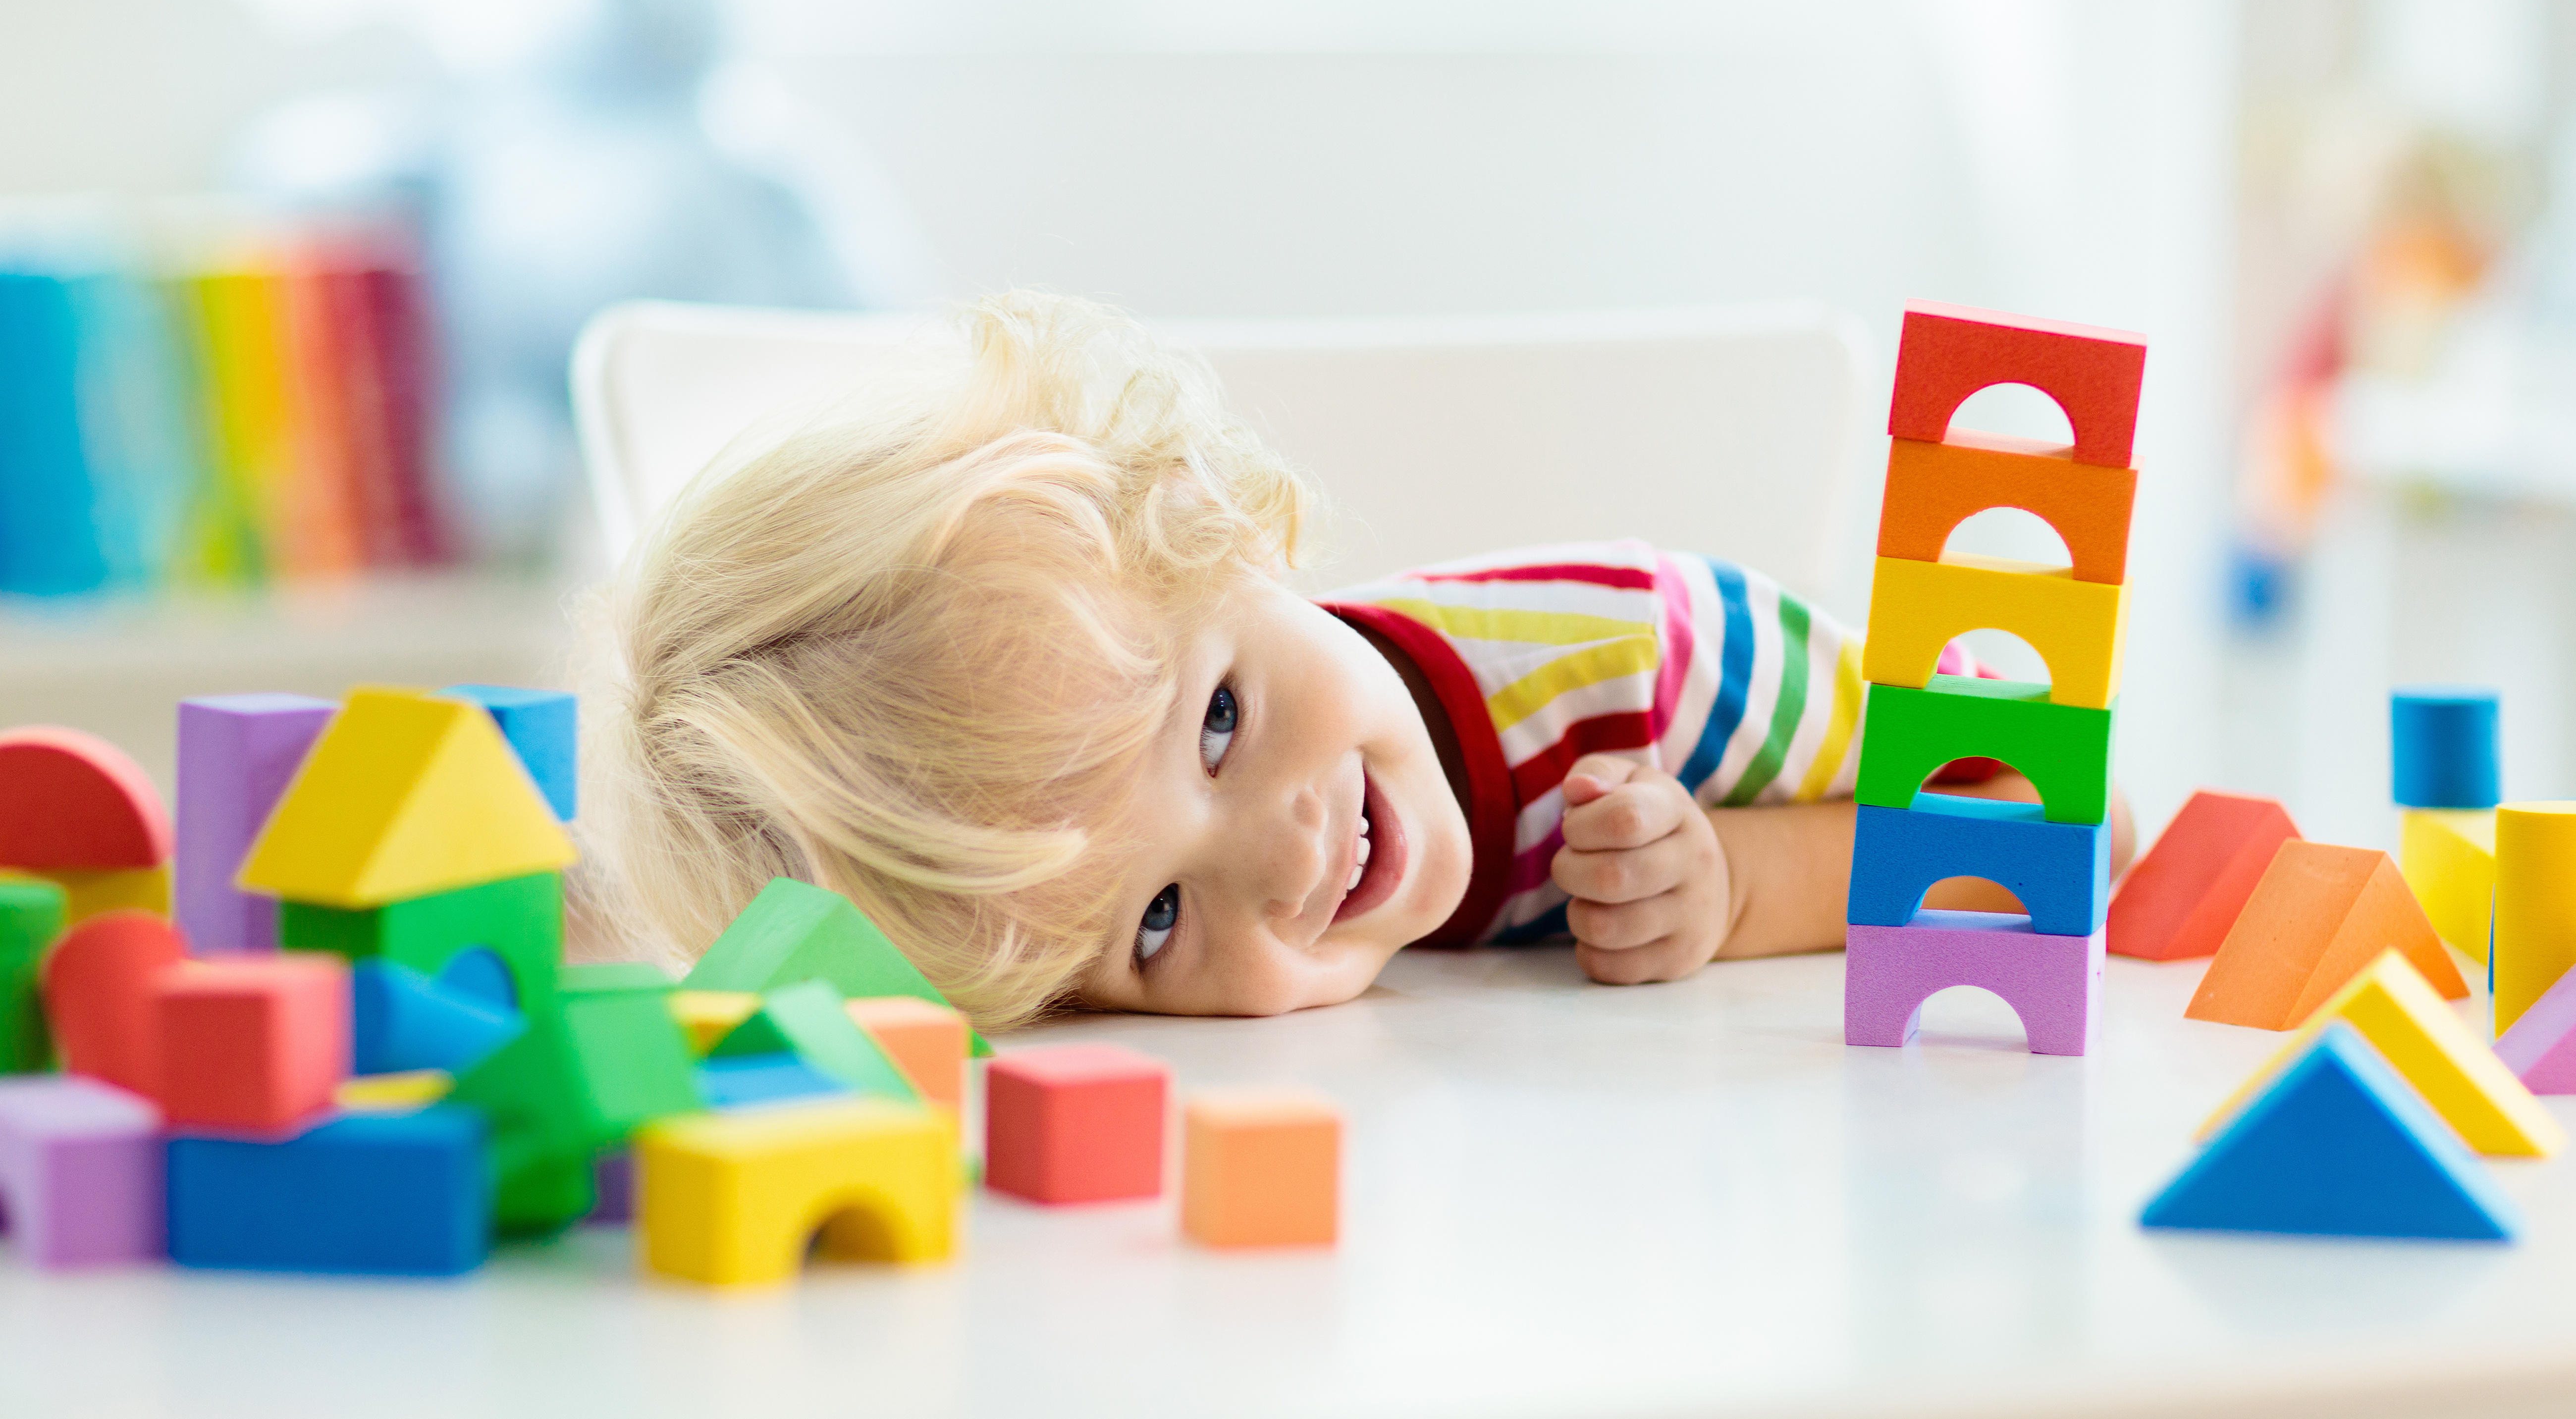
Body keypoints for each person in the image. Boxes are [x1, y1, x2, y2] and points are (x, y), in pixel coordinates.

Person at [581, 292, 2133, 1027]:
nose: (1286, 849)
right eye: (1157, 918)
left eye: (1218, 725)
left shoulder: (1656, 661)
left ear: (1223, 526)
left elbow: (2069, 826)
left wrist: (1741, 884)